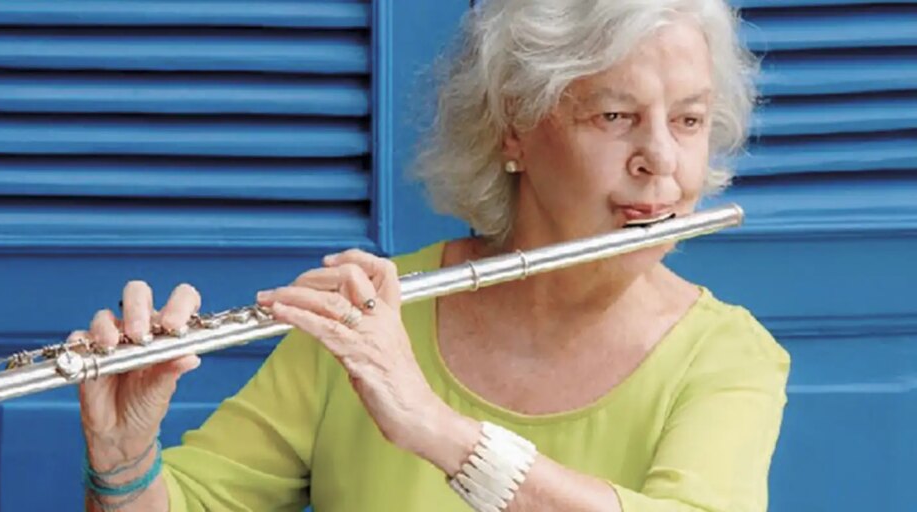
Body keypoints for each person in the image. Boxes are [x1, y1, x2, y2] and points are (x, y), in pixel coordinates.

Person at [77, 0, 791, 510]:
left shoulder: (728, 357)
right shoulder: (365, 316)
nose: (661, 159)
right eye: (615, 116)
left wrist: (439, 431)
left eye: (689, 120)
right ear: (514, 127)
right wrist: (124, 463)